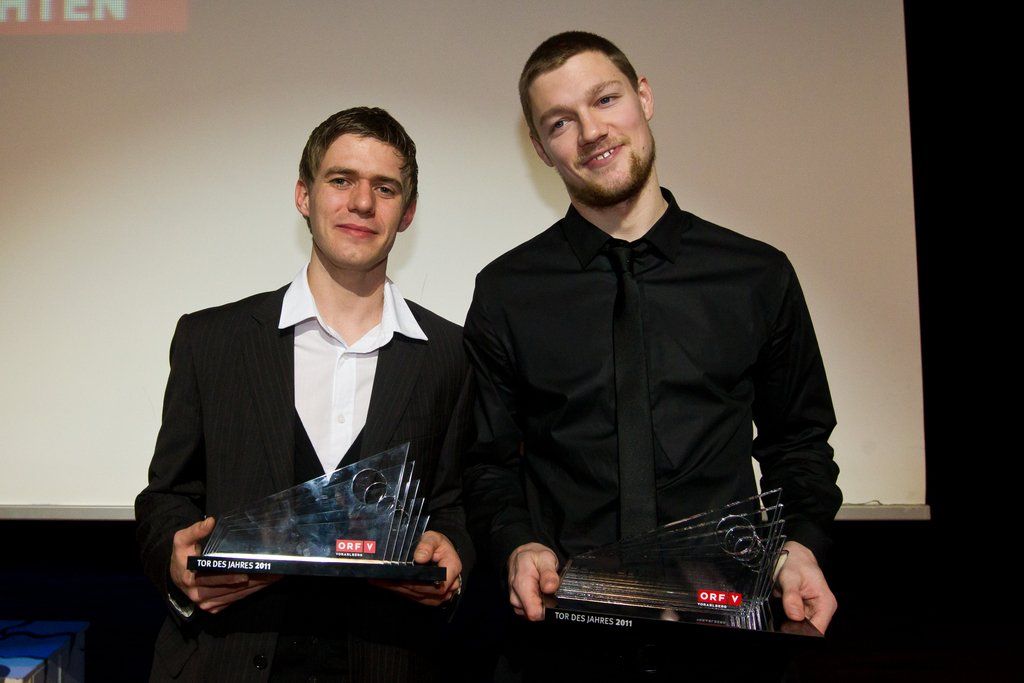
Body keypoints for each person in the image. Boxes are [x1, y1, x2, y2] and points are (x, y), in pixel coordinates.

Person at [463, 31, 841, 676]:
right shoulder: (507, 291)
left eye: (605, 99)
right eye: (561, 122)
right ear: (541, 148)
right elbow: (487, 462)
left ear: (644, 97)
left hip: (727, 634)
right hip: (560, 641)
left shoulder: (757, 275)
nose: (591, 131)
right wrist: (518, 542)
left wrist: (800, 545)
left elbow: (798, 441)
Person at [136, 107, 474, 682]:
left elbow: (453, 504)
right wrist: (173, 553)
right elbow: (166, 496)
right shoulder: (210, 339)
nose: (362, 203)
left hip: (390, 662)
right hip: (225, 662)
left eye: (384, 188)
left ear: (408, 212)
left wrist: (454, 552)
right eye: (341, 180)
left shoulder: (452, 354)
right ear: (304, 196)